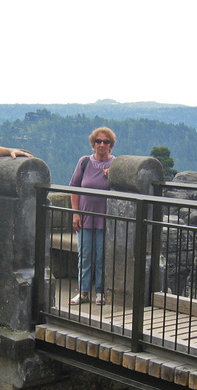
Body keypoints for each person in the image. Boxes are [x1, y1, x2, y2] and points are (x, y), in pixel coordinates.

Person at [69, 127, 116, 305]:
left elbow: (123, 191)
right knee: (85, 256)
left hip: (106, 220)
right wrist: (75, 213)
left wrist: (113, 177)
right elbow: (74, 188)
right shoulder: (84, 162)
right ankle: (83, 292)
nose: (102, 144)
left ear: (111, 145)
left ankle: (100, 292)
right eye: (98, 141)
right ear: (93, 143)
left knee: (101, 257)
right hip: (85, 217)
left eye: (106, 142)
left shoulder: (116, 165)